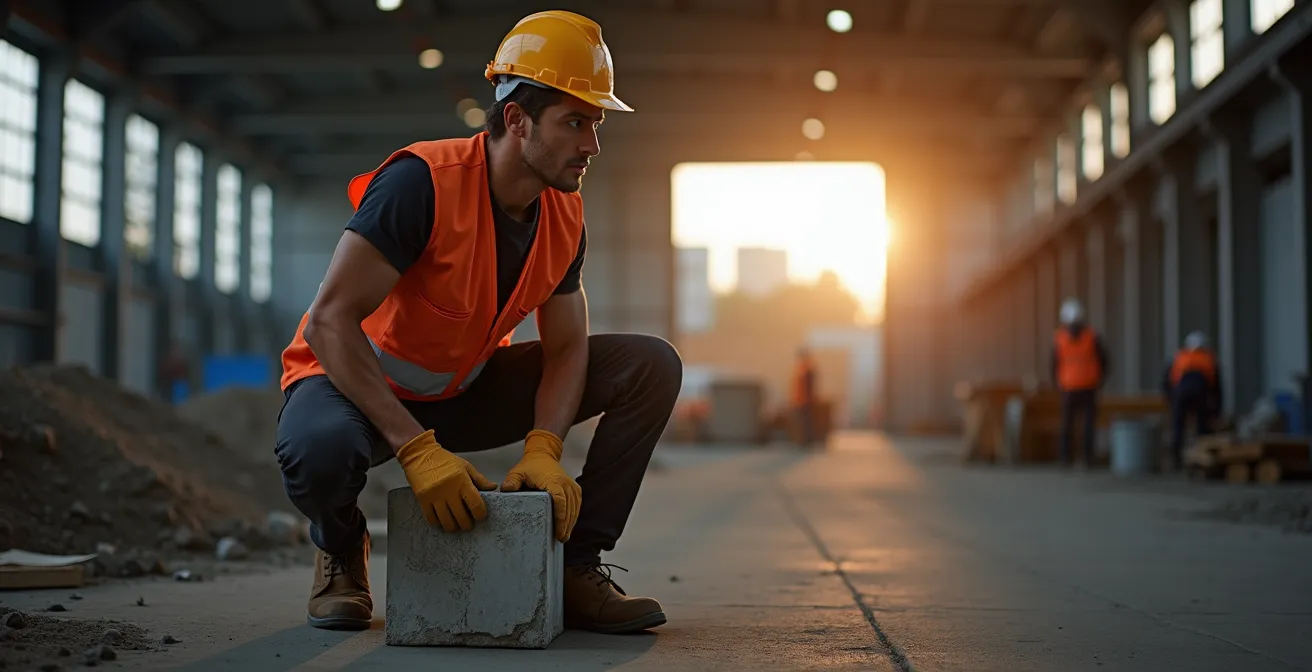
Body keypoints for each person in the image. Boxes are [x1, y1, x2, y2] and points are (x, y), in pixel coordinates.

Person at [274, 10, 682, 635]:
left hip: (462, 389)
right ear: (517, 120)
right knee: (318, 452)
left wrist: (545, 447)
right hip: (357, 387)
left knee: (649, 365)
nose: (591, 145)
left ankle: (576, 566)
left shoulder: (563, 213)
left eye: (594, 124)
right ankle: (340, 549)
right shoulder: (421, 184)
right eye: (575, 122)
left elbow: (568, 347)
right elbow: (331, 322)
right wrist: (415, 450)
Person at [1051, 298, 1109, 466]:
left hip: (1069, 388)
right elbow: (1104, 361)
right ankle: (1087, 458)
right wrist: (1099, 380)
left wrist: (1057, 383)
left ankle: (1065, 458)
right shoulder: (1092, 336)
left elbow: (1054, 364)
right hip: (1088, 387)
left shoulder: (1060, 338)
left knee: (1067, 425)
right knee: (1087, 425)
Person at [1162, 331, 1221, 466]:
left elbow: (1167, 382)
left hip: (1181, 393)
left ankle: (1176, 459)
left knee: (1178, 427)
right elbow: (1217, 389)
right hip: (1201, 393)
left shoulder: (1179, 357)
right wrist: (1216, 411)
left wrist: (1171, 400)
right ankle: (1203, 458)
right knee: (1202, 426)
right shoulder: (1209, 359)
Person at [790, 347, 819, 447]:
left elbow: (809, 386)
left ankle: (806, 441)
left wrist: (809, 399)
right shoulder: (802, 368)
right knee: (802, 422)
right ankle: (802, 441)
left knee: (805, 423)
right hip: (799, 400)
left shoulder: (808, 368)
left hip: (805, 401)